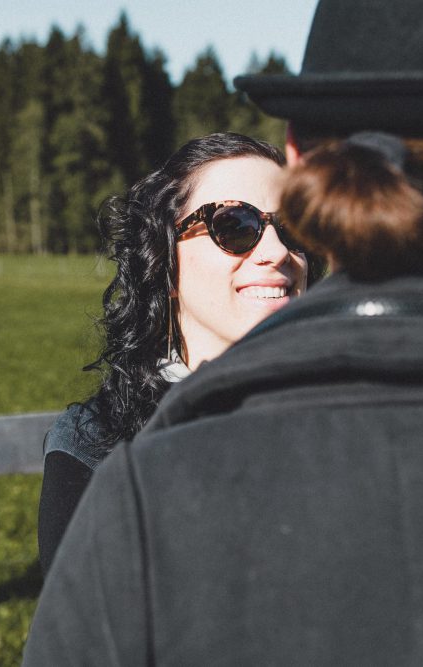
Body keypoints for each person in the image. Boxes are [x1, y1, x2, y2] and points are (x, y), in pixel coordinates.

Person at [23, 0, 423, 664]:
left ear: (300, 157)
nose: (273, 252)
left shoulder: (149, 497)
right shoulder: (105, 451)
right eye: (233, 226)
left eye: (285, 226)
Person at [38, 132, 323, 575]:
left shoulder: (342, 413)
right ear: (164, 260)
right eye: (235, 226)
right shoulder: (97, 441)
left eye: (294, 227)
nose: (278, 251)